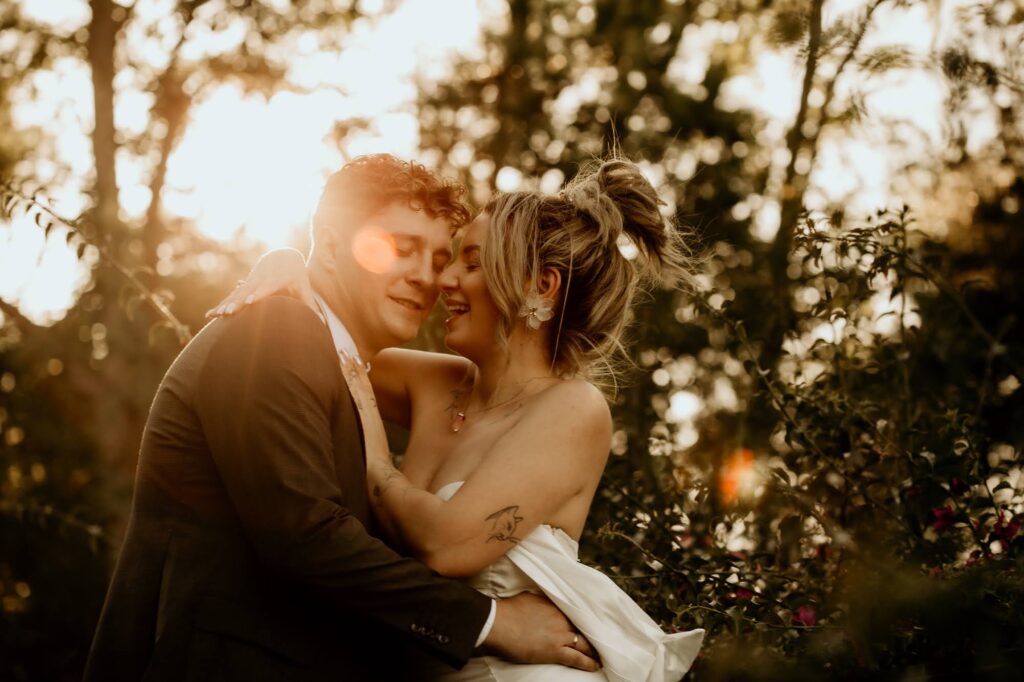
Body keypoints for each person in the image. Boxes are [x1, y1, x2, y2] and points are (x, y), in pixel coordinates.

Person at [83, 154, 601, 682]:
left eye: (440, 258)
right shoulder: (278, 327)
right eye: (401, 249)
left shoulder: (339, 361)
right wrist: (491, 621)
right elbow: (305, 537)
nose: (430, 278)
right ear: (331, 247)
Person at [212, 157, 706, 681]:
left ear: (541, 285)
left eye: (470, 263)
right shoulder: (432, 382)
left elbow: (444, 546)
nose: (442, 279)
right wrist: (291, 264)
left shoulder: (573, 409)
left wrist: (376, 465)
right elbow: (325, 342)